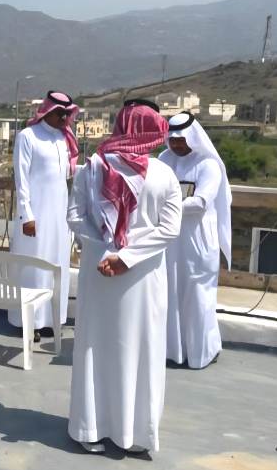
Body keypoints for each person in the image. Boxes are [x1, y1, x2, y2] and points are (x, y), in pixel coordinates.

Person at [67, 99, 182, 455]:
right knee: (141, 348)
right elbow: (170, 229)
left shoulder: (92, 168)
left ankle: (90, 428)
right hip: (142, 276)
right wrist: (128, 258)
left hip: (99, 269)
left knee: (94, 345)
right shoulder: (164, 174)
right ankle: (134, 435)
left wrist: (109, 250)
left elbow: (75, 217)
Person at [160, 111, 232, 369]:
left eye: (181, 140)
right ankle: (173, 352)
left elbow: (201, 202)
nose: (177, 145)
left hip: (197, 241)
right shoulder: (163, 160)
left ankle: (202, 352)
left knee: (198, 297)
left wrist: (166, 206)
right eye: (173, 140)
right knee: (169, 294)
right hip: (169, 240)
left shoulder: (208, 164)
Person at [9, 91, 78, 341]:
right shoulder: (28, 136)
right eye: (60, 113)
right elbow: (21, 179)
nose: (64, 118)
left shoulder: (63, 138)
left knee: (55, 266)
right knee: (33, 267)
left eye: (67, 114)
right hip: (35, 216)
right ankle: (28, 321)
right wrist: (26, 214)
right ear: (47, 112)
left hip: (58, 216)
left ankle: (50, 319)